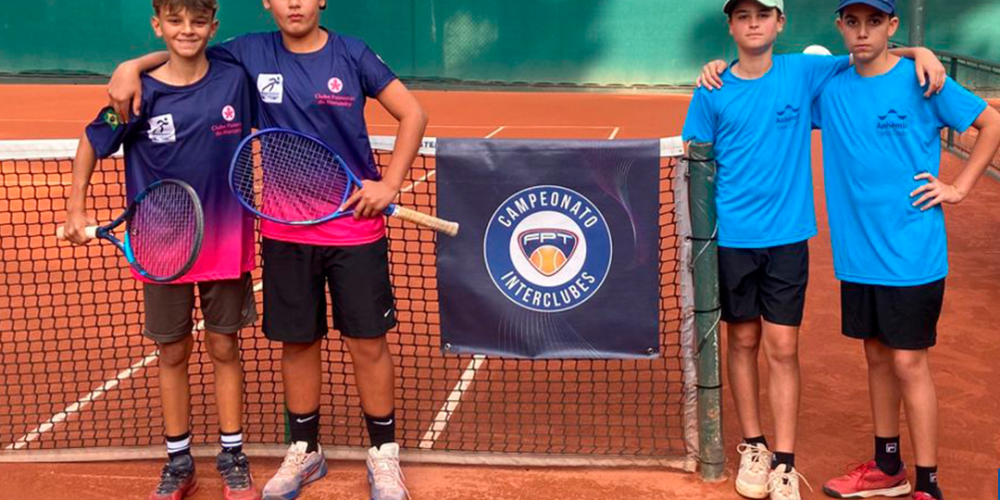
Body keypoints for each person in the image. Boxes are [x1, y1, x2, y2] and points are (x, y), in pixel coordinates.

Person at [108, 1, 428, 499]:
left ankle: (384, 454)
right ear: (267, 3)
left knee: (368, 343)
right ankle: (305, 450)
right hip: (286, 232)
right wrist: (131, 66)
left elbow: (413, 113)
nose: (294, 3)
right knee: (297, 343)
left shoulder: (353, 54)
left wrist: (390, 183)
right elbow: (186, 49)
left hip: (354, 230)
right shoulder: (248, 53)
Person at [682, 1, 944, 498]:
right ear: (730, 25)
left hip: (787, 240)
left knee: (783, 348)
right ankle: (755, 446)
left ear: (780, 22)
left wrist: (921, 50)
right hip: (732, 239)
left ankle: (784, 462)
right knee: (742, 341)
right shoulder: (711, 88)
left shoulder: (803, 71)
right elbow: (696, 164)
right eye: (742, 15)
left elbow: (869, 52)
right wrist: (712, 67)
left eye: (763, 14)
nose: (753, 23)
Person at [63, 1, 260, 499]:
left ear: (213, 26)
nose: (186, 30)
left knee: (224, 347)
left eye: (198, 21)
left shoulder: (235, 80)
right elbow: (91, 142)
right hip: (161, 247)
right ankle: (179, 462)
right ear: (158, 25)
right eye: (175, 21)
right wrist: (76, 208)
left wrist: (132, 61)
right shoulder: (139, 93)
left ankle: (233, 456)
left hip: (225, 241)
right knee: (172, 352)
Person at [813, 1, 1000, 499]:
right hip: (858, 256)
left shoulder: (922, 80)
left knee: (908, 363)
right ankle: (887, 467)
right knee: (876, 356)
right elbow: (770, 77)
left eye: (875, 21)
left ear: (892, 25)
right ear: (839, 26)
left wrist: (958, 188)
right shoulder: (830, 87)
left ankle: (928, 484)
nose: (863, 31)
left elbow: (992, 124)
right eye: (853, 22)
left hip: (911, 254)